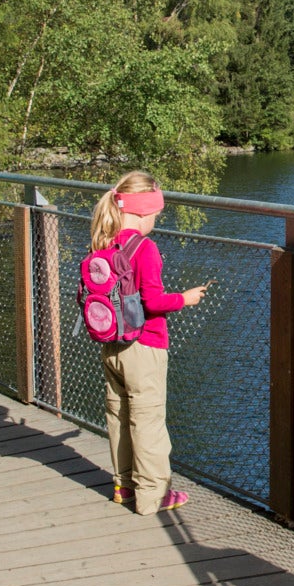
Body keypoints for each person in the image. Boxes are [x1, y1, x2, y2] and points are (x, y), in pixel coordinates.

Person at [90, 171, 208, 514]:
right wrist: (184, 298)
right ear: (143, 211)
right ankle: (153, 496)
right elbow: (153, 302)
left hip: (111, 344)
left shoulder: (104, 241)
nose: (157, 220)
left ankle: (124, 487)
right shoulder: (145, 249)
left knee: (119, 415)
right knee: (148, 420)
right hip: (144, 347)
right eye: (157, 213)